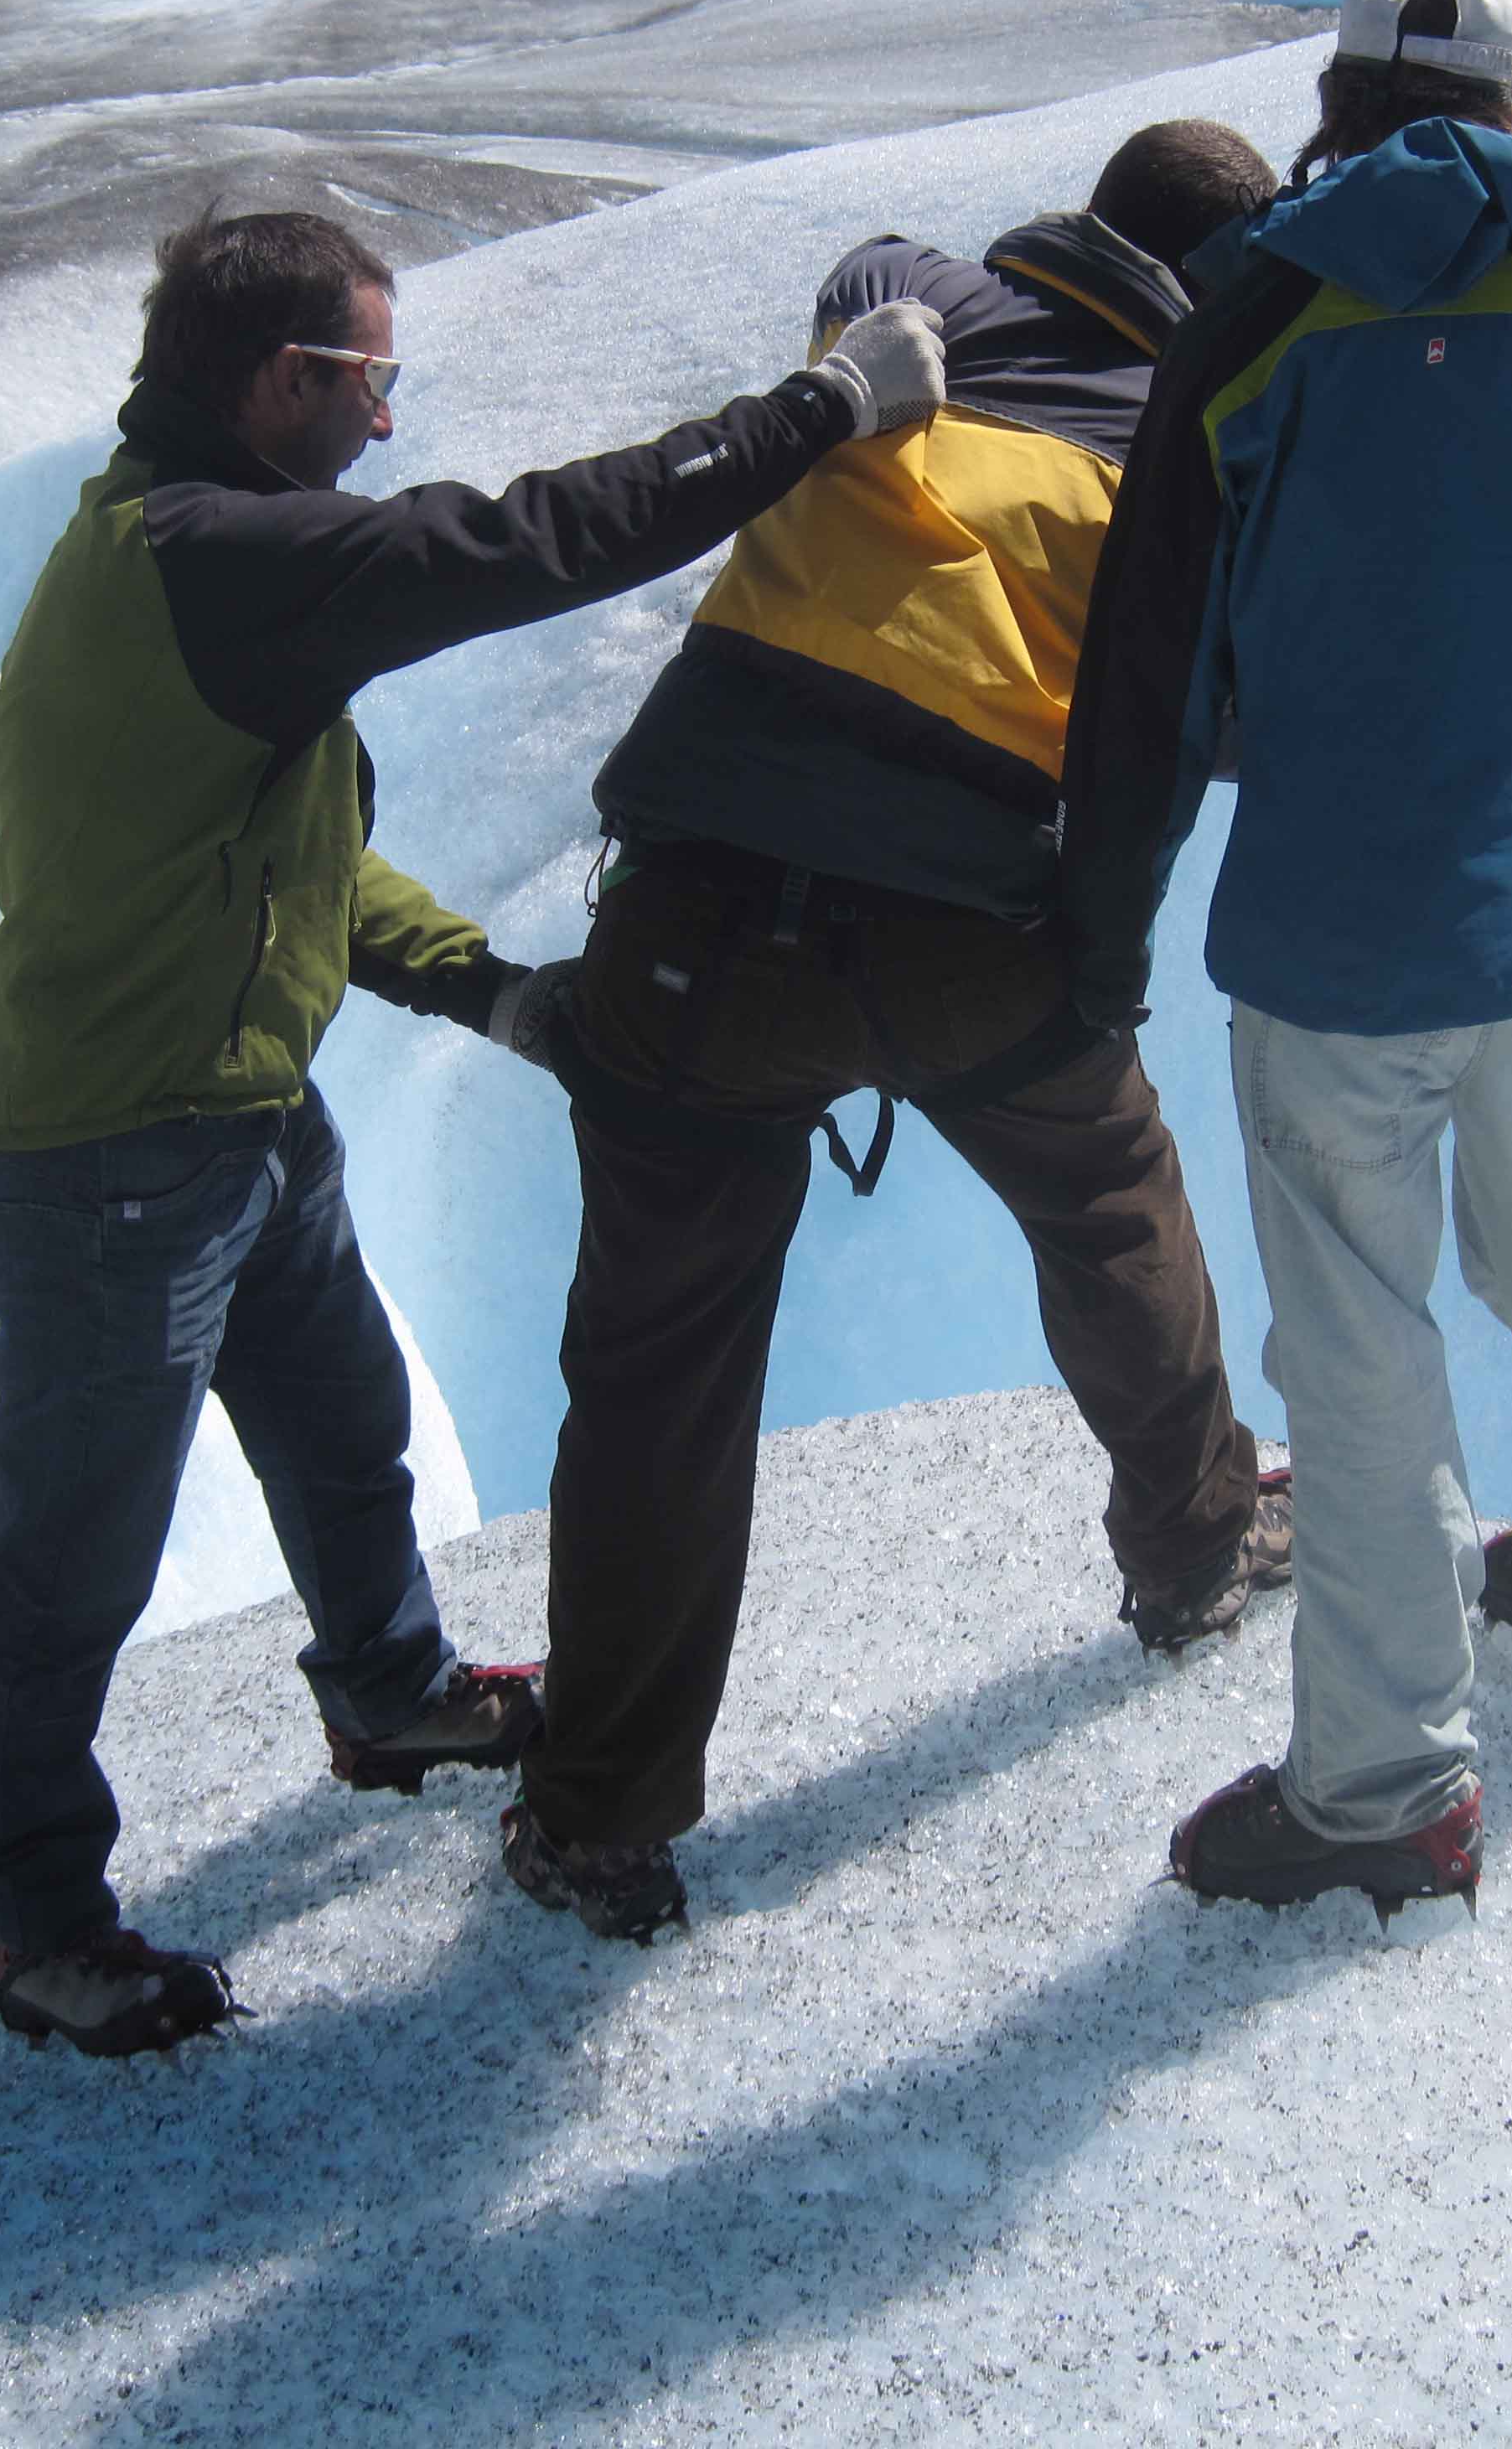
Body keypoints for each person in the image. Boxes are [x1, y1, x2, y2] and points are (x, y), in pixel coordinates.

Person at [0, 207, 947, 2050]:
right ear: (286, 378)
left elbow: (298, 865)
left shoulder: (181, 562)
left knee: (347, 1431)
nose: (388, 422)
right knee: (67, 1559)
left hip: (245, 1123)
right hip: (112, 1166)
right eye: (373, 380)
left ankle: (391, 1694)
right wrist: (821, 412)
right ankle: (42, 1922)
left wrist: (490, 992)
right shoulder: (213, 558)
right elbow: (532, 542)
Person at [501, 124, 1293, 1946]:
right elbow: (1200, 729)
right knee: (1110, 1197)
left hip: (701, 933)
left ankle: (601, 1818)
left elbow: (868, 273)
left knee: (659, 1365)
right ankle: (1195, 1550)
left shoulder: (924, 301)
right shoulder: (1192, 458)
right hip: (969, 938)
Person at [1058, 0, 1512, 1918]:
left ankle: (1386, 1788)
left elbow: (1153, 668)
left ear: (1334, 101)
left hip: (1343, 940)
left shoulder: (1256, 322)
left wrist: (1098, 937)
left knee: (1358, 1337)